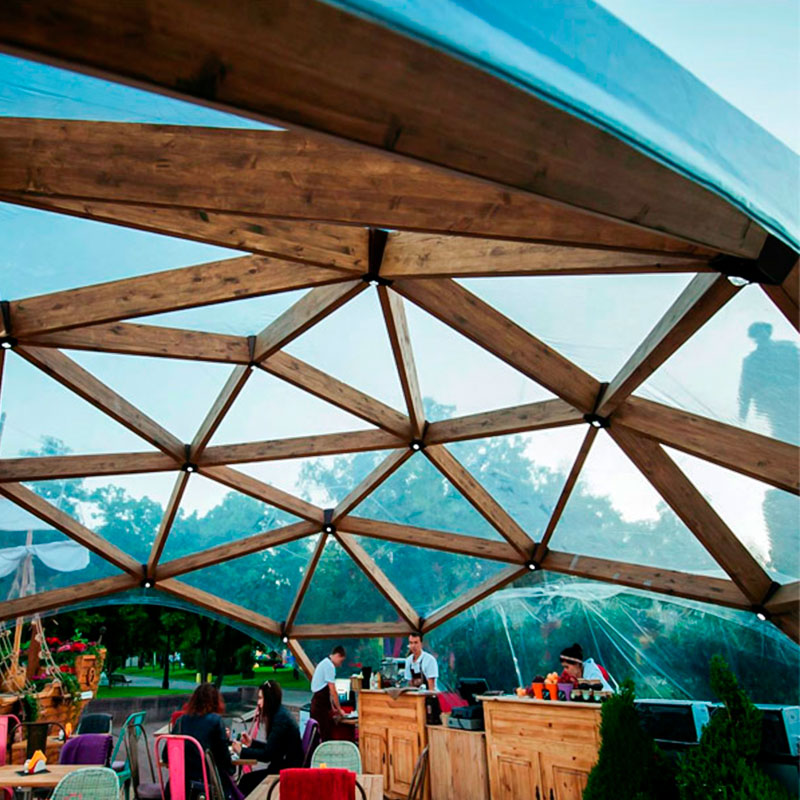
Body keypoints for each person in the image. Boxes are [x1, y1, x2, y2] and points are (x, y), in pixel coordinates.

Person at [169, 683, 240, 800]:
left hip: (180, 788)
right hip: (208, 788)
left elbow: (166, 756)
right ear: (216, 701)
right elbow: (224, 759)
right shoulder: (216, 721)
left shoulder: (181, 721)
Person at [233, 680, 303, 795]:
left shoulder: (280, 720)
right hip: (284, 767)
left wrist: (242, 751)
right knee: (246, 780)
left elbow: (267, 755)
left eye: (260, 698)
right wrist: (252, 743)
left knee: (246, 782)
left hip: (285, 772)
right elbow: (273, 749)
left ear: (269, 699)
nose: (258, 703)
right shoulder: (280, 715)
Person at [309, 645, 346, 741]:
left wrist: (332, 707)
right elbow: (333, 690)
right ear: (337, 655)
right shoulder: (329, 666)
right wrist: (339, 709)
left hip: (319, 706)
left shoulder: (325, 663)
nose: (340, 665)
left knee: (320, 736)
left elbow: (328, 691)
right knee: (325, 737)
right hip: (319, 708)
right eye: (341, 661)